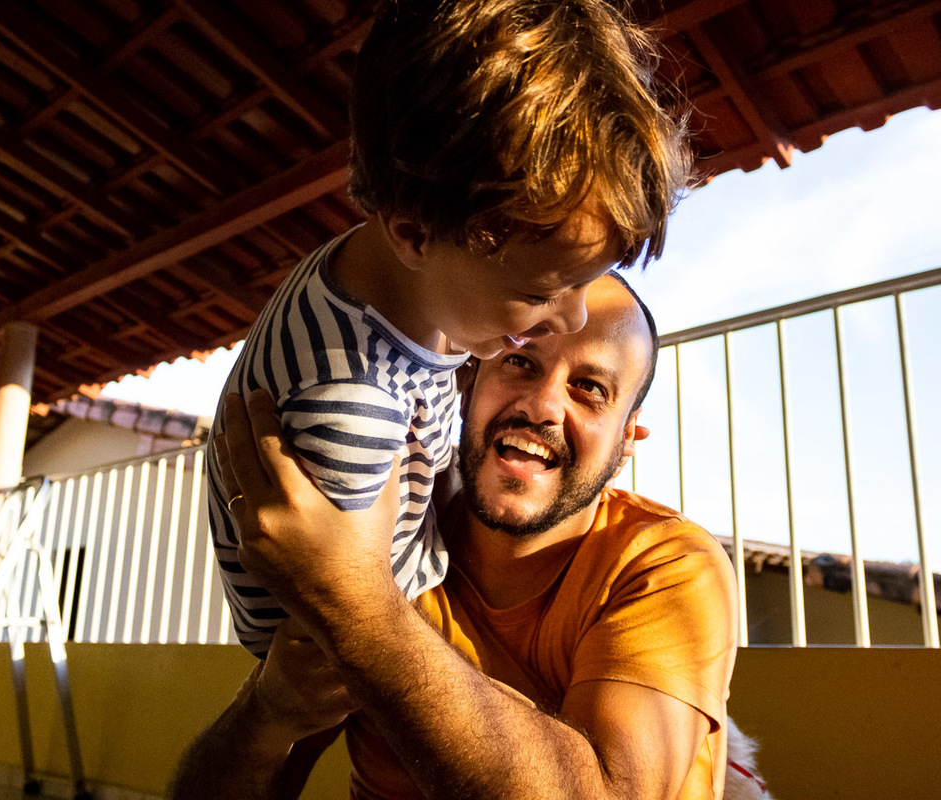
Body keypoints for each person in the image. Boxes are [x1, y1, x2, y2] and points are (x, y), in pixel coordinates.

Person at [206, 0, 691, 658]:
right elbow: (327, 630)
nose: (574, 317)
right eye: (541, 290)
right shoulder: (354, 407)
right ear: (413, 232)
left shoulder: (379, 274)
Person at [172, 274, 738, 799]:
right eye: (519, 362)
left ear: (627, 441)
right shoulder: (392, 532)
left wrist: (356, 607)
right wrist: (268, 711)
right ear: (469, 384)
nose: (542, 405)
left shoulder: (666, 563)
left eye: (589, 387)